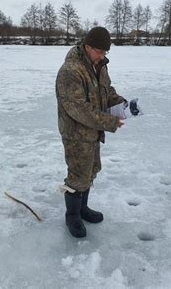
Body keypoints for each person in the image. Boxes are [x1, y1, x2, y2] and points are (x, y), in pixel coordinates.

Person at [56, 26, 125, 238]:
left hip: (93, 131)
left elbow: (106, 92)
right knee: (78, 175)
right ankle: (72, 216)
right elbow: (78, 109)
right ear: (87, 46)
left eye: (105, 52)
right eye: (99, 52)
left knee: (91, 170)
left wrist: (121, 103)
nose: (102, 56)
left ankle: (83, 208)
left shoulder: (99, 65)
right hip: (76, 133)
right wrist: (109, 121)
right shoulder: (71, 71)